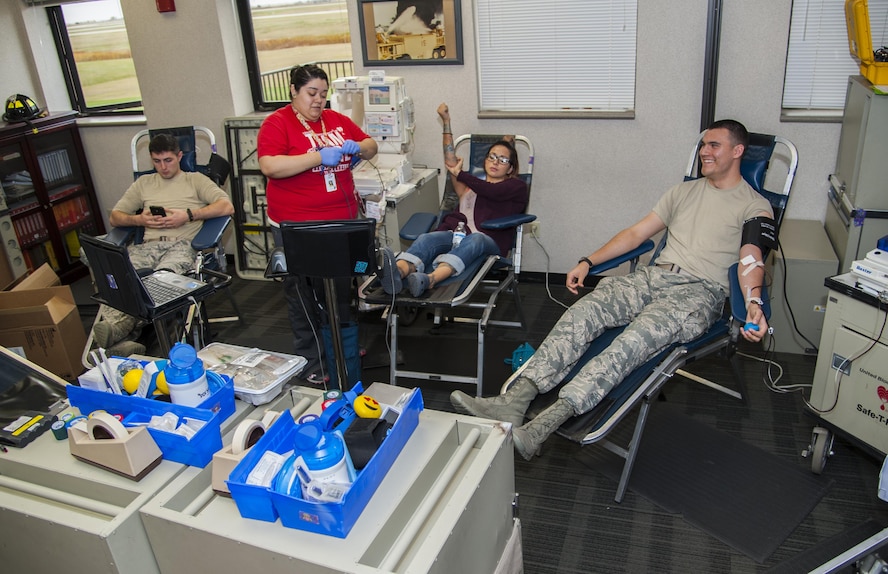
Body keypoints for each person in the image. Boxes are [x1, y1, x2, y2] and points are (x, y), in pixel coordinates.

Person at [450, 119, 773, 460]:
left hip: (697, 292)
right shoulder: (683, 192)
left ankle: (543, 426)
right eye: (704, 144)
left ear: (738, 151)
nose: (705, 152)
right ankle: (514, 402)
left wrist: (753, 301)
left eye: (714, 146)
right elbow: (636, 234)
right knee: (585, 311)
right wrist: (588, 261)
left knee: (633, 340)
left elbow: (751, 259)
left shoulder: (754, 205)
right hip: (653, 277)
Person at [257, 63, 378, 385]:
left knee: (339, 294)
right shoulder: (277, 123)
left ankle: (340, 349)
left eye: (324, 94)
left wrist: (359, 149)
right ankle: (313, 362)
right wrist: (316, 157)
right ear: (294, 92)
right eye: (311, 93)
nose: (318, 100)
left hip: (340, 223)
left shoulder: (335, 120)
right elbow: (270, 166)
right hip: (298, 227)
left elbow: (371, 145)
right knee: (304, 298)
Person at [93, 133, 235, 352]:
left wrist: (187, 215)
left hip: (180, 245)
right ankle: (122, 342)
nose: (163, 167)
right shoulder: (144, 183)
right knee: (119, 279)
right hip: (147, 246)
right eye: (157, 161)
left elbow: (226, 206)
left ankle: (123, 327)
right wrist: (139, 219)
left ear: (179, 156)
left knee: (160, 282)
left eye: (168, 160)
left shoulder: (195, 180)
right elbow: (116, 216)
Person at [379, 103, 528, 297]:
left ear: (510, 169)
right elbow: (451, 163)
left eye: (503, 160)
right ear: (485, 160)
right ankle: (396, 273)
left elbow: (492, 192)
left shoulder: (516, 187)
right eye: (492, 156)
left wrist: (463, 174)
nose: (495, 162)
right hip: (456, 236)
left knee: (476, 238)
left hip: (488, 244)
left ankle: (431, 279)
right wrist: (446, 122)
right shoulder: (469, 187)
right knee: (427, 238)